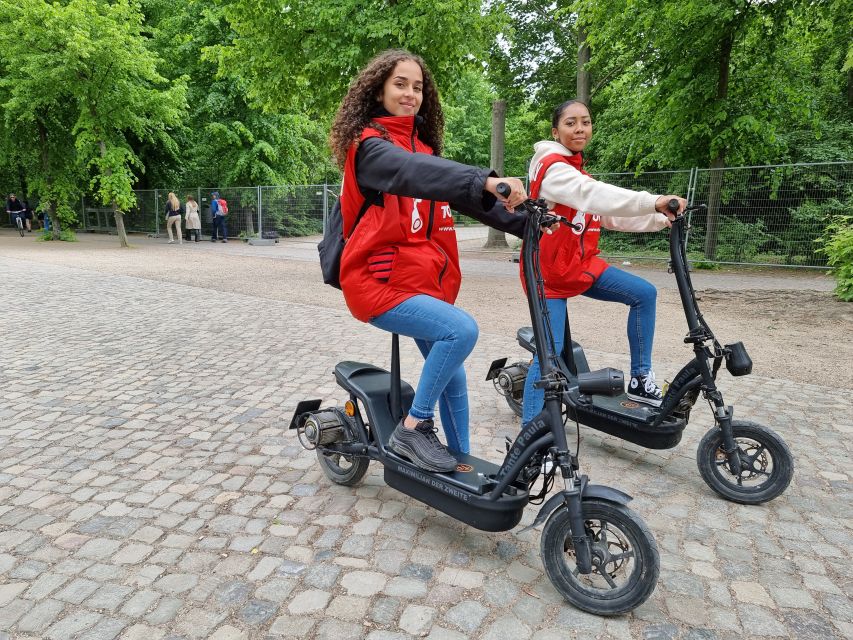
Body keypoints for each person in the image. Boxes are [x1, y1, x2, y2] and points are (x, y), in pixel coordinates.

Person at [330, 49, 528, 473]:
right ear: (378, 89)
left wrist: (530, 225)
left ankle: (462, 464)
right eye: (400, 84)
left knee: (451, 373)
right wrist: (485, 178)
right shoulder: (370, 148)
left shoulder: (423, 145)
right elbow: (412, 171)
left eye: (417, 87)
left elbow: (458, 193)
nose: (410, 93)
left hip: (420, 284)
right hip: (377, 284)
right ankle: (413, 427)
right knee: (460, 332)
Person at [520, 99, 686, 424]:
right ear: (556, 131)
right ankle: (530, 435)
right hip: (549, 277)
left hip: (582, 266)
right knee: (548, 359)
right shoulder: (553, 169)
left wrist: (660, 219)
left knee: (644, 294)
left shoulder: (578, 172)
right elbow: (594, 195)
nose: (579, 128)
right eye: (570, 123)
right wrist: (653, 201)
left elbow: (607, 216)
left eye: (585, 121)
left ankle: (640, 378)